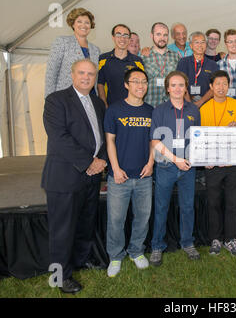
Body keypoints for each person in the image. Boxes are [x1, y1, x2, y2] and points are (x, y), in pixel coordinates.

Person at [41, 59, 107, 294]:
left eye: (91, 74)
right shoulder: (56, 101)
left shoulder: (98, 103)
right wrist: (89, 162)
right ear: (72, 74)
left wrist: (100, 161)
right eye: (81, 73)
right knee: (62, 230)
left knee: (84, 225)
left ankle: (80, 261)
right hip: (64, 178)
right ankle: (60, 276)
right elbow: (59, 138)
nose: (86, 77)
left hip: (90, 178)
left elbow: (102, 137)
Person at [104, 68, 154, 277]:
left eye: (143, 82)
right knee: (116, 219)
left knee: (142, 217)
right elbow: (110, 141)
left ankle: (136, 251)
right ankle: (115, 256)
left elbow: (154, 141)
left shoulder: (151, 111)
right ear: (126, 85)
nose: (140, 85)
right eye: (135, 81)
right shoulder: (114, 110)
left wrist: (151, 163)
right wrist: (115, 169)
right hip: (119, 177)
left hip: (144, 176)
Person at [149, 71, 201, 266]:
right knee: (161, 207)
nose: (178, 89)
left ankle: (187, 243)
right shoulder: (159, 110)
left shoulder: (194, 110)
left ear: (186, 87)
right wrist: (175, 159)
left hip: (188, 167)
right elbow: (155, 140)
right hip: (166, 166)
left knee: (187, 207)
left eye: (181, 85)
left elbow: (198, 138)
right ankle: (157, 246)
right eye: (174, 85)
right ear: (168, 88)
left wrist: (199, 158)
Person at [200, 70, 236, 257]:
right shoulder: (204, 109)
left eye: (225, 84)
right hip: (213, 165)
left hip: (233, 164)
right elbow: (200, 139)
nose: (221, 87)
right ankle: (215, 238)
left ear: (229, 86)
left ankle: (231, 239)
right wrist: (206, 160)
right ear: (211, 87)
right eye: (217, 84)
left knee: (232, 201)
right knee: (213, 202)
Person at [45, 8, 100, 98]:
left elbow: (95, 77)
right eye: (79, 21)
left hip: (89, 97)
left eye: (87, 22)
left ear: (91, 25)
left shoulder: (95, 50)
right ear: (73, 24)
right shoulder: (62, 42)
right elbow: (51, 74)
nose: (83, 25)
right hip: (65, 98)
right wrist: (49, 100)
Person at [97, 24, 145, 107]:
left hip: (132, 108)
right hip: (110, 108)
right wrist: (104, 105)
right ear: (113, 37)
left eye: (125, 35)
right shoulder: (103, 59)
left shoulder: (138, 61)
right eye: (118, 35)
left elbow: (141, 85)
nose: (122, 38)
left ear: (129, 39)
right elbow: (100, 84)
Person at [141, 22, 181, 107]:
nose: (162, 38)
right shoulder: (143, 57)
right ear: (152, 36)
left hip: (171, 106)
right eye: (158, 34)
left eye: (165, 35)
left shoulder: (176, 56)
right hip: (150, 105)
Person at [176, 31, 219, 107]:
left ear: (206, 45)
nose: (200, 45)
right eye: (196, 42)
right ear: (191, 45)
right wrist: (189, 102)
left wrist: (201, 102)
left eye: (203, 42)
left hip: (207, 104)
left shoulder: (213, 65)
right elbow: (180, 84)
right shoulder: (183, 62)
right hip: (185, 104)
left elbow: (215, 86)